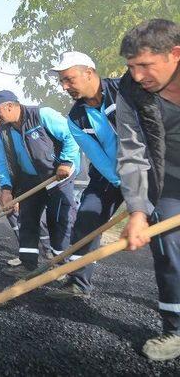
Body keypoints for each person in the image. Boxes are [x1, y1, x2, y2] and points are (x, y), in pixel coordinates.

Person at [115, 19, 180, 361]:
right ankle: (175, 328)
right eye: (131, 66)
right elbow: (132, 153)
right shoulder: (130, 93)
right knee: (167, 240)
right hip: (169, 180)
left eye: (145, 65)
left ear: (175, 54)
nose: (137, 75)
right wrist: (138, 212)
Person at [46, 51, 123, 299]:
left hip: (150, 172)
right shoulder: (75, 118)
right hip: (107, 176)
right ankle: (78, 282)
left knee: (165, 235)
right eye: (62, 82)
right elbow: (97, 158)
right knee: (87, 217)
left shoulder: (125, 91)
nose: (65, 87)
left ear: (89, 73)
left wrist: (139, 186)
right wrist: (124, 183)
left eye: (69, 79)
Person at [0, 90, 80, 278]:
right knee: (27, 219)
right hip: (30, 180)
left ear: (10, 106)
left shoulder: (41, 115)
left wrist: (66, 161)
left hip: (57, 176)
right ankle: (28, 264)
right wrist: (6, 189)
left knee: (58, 221)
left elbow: (71, 135)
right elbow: (2, 162)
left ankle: (60, 266)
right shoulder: (4, 132)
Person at [0, 118, 52, 267]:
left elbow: (22, 167)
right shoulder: (2, 141)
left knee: (39, 220)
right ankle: (25, 254)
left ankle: (50, 253)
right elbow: (5, 168)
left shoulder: (19, 136)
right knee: (11, 214)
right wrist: (5, 192)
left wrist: (16, 197)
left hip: (31, 183)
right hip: (15, 186)